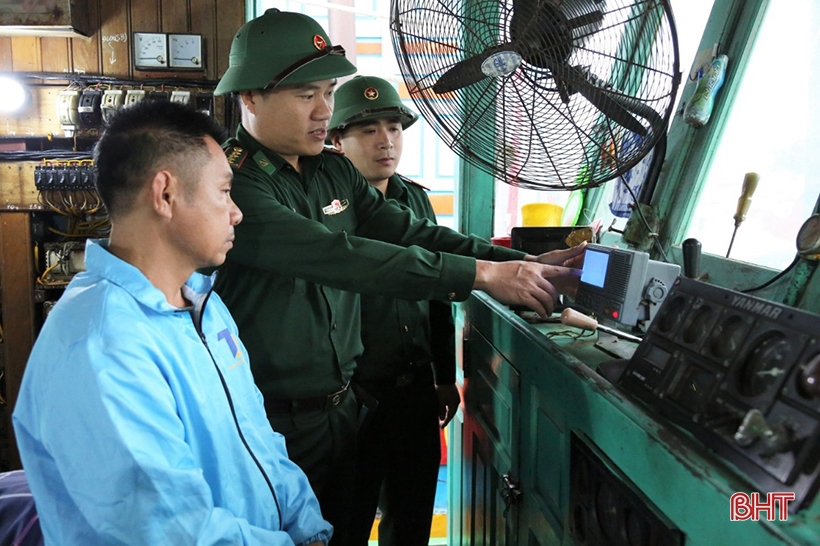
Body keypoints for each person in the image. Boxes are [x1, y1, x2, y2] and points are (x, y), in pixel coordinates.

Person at [213, 9, 584, 543]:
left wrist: (513, 264)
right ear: (250, 97)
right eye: (305, 96)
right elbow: (343, 256)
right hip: (272, 422)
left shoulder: (332, 168)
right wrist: (479, 276)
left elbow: (409, 233)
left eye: (328, 90)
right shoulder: (236, 184)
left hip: (342, 409)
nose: (324, 110)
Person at [11, 100, 332, 545]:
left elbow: (258, 440)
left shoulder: (203, 303)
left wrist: (308, 528)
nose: (236, 212)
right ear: (165, 195)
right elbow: (166, 528)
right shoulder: (102, 343)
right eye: (224, 191)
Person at [327, 75, 458, 545]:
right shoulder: (329, 209)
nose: (386, 141)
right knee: (348, 520)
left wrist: (445, 374)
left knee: (412, 520)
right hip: (355, 396)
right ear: (337, 140)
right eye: (368, 130)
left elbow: (440, 287)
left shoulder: (416, 199)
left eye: (394, 128)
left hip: (416, 392)